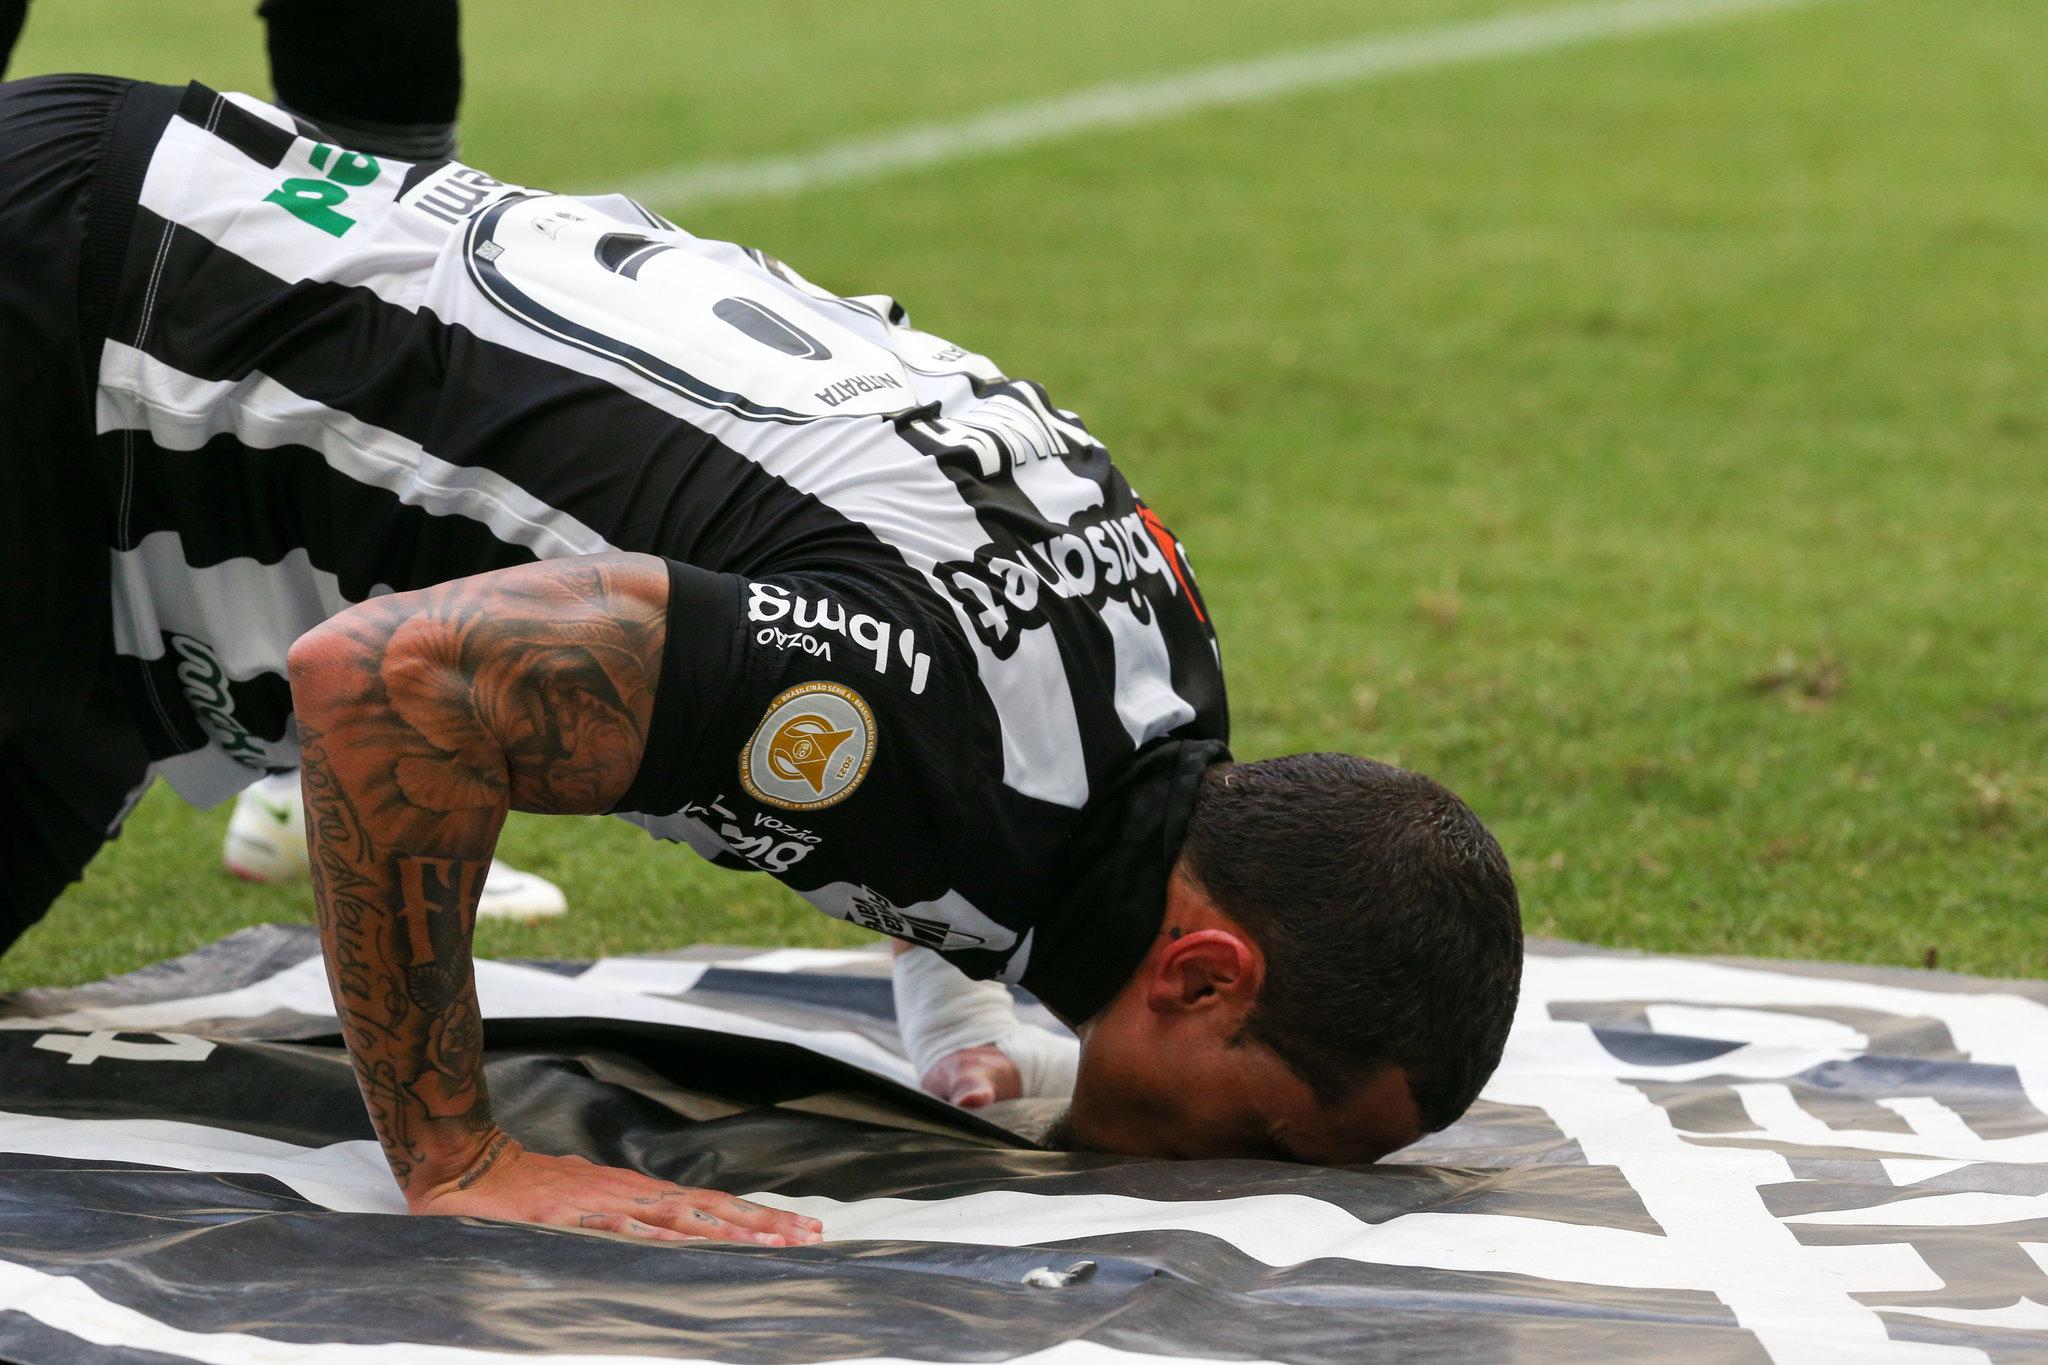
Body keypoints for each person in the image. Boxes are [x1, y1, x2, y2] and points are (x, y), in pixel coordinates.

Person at [0, 72, 1524, 1248]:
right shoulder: (912, 714)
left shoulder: (1166, 694)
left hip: (136, 428)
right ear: (1205, 972)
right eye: (1271, 1140)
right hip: (76, 338)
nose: (1247, 1181)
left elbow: (952, 696)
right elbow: (394, 684)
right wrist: (458, 1150)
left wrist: (963, 1018)